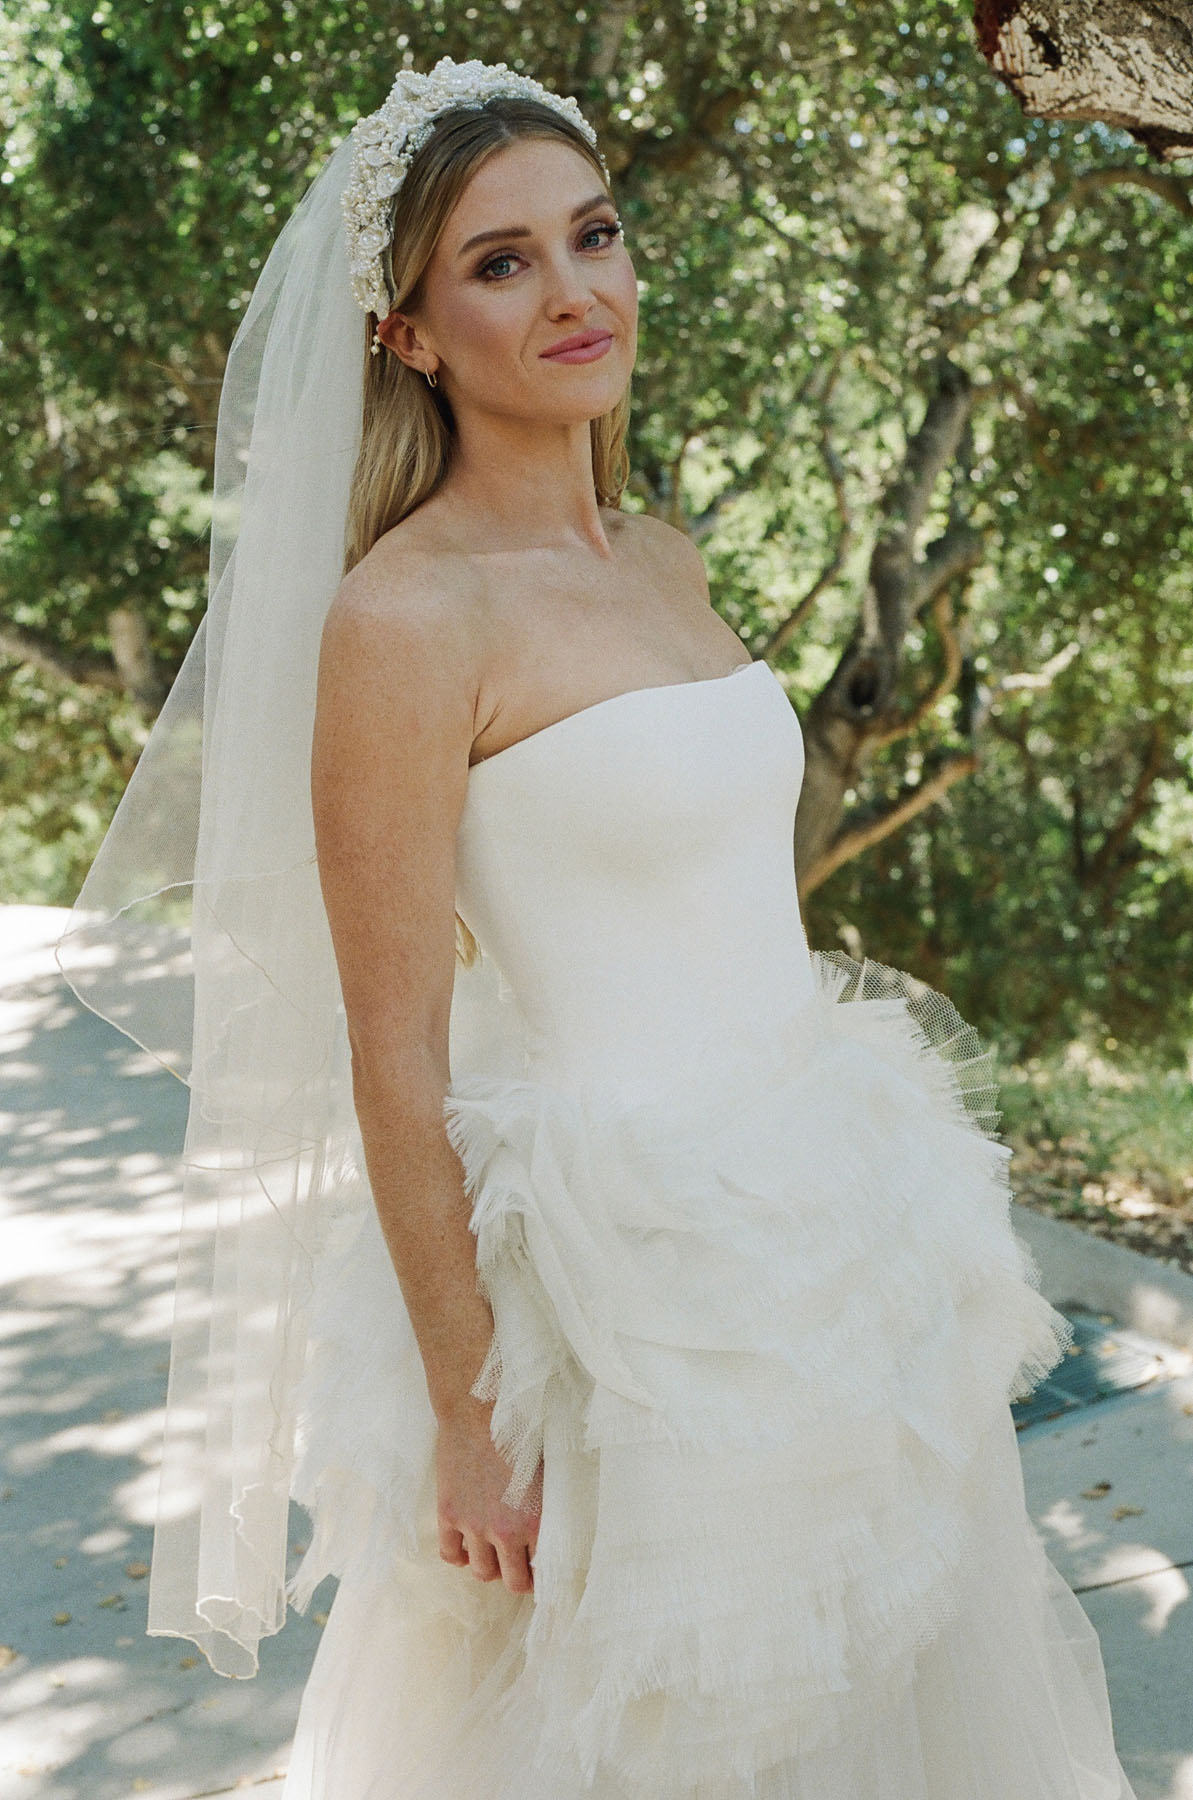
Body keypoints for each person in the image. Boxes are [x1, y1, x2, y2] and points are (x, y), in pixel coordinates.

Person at [54, 55, 1139, 1800]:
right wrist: (474, 1415)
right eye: (499, 262)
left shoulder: (662, 558)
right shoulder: (403, 622)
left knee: (901, 1701)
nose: (573, 292)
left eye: (594, 234)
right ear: (405, 333)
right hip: (611, 1300)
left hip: (821, 1224)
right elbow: (391, 1044)